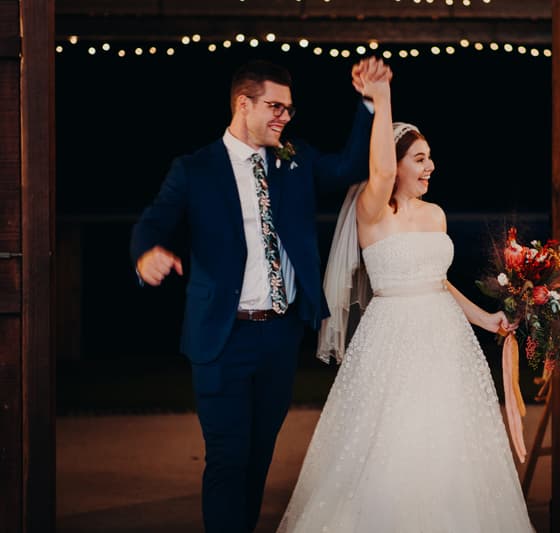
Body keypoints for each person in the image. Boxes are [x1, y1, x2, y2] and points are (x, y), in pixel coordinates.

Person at [129, 56, 392, 533]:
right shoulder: (194, 169)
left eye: (289, 109)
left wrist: (370, 105)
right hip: (222, 336)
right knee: (228, 458)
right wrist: (146, 254)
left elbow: (349, 167)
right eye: (275, 107)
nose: (284, 118)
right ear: (242, 104)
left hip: (279, 336)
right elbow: (153, 220)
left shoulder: (296, 158)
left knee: (257, 457)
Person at [277, 67, 536, 532]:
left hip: (447, 344)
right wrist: (382, 97)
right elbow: (376, 170)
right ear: (393, 164)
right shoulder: (371, 211)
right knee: (394, 443)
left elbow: (439, 282)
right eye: (418, 158)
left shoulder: (435, 214)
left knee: (451, 444)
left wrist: (488, 319)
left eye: (430, 157)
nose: (429, 166)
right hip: (392, 342)